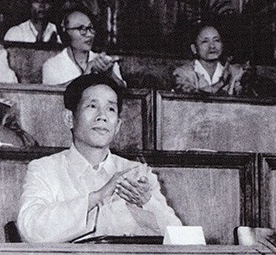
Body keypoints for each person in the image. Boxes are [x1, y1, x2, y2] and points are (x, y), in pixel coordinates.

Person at [17, 74, 181, 242]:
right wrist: (97, 197)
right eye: (92, 106)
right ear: (69, 118)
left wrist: (148, 203)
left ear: (117, 125)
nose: (102, 116)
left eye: (110, 109)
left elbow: (181, 239)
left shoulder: (137, 173)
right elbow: (30, 229)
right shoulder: (45, 169)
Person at [42, 7, 124, 86]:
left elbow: (123, 92)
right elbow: (53, 95)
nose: (89, 34)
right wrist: (88, 73)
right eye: (81, 29)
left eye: (90, 28)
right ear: (66, 32)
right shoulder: (52, 65)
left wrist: (110, 74)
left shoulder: (105, 62)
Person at [172, 23, 246, 95]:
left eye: (216, 40)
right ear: (194, 48)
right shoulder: (183, 73)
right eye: (205, 42)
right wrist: (228, 82)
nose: (212, 46)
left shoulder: (233, 71)